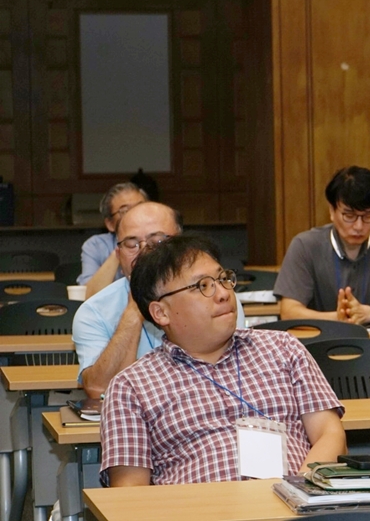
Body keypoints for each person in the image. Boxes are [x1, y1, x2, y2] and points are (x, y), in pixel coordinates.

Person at [100, 235, 346, 486]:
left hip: (295, 502)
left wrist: (296, 494)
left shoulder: (283, 348)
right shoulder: (131, 387)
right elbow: (130, 492)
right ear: (161, 312)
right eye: (203, 286)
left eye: (223, 279)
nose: (223, 294)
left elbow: (330, 434)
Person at [72, 201, 246, 398]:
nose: (144, 252)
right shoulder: (93, 312)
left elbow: (234, 370)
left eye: (158, 241)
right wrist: (135, 308)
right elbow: (99, 391)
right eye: (132, 244)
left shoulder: (218, 298)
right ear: (118, 254)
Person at [273, 166, 370, 325]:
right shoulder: (305, 246)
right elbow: (289, 312)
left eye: (368, 216)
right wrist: (340, 319)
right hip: (322, 338)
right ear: (331, 211)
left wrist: (369, 313)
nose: (358, 226)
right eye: (349, 216)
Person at [78, 182, 147, 297]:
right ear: (110, 224)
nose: (135, 214)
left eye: (140, 207)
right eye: (125, 211)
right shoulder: (95, 245)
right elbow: (90, 297)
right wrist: (122, 248)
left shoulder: (162, 240)